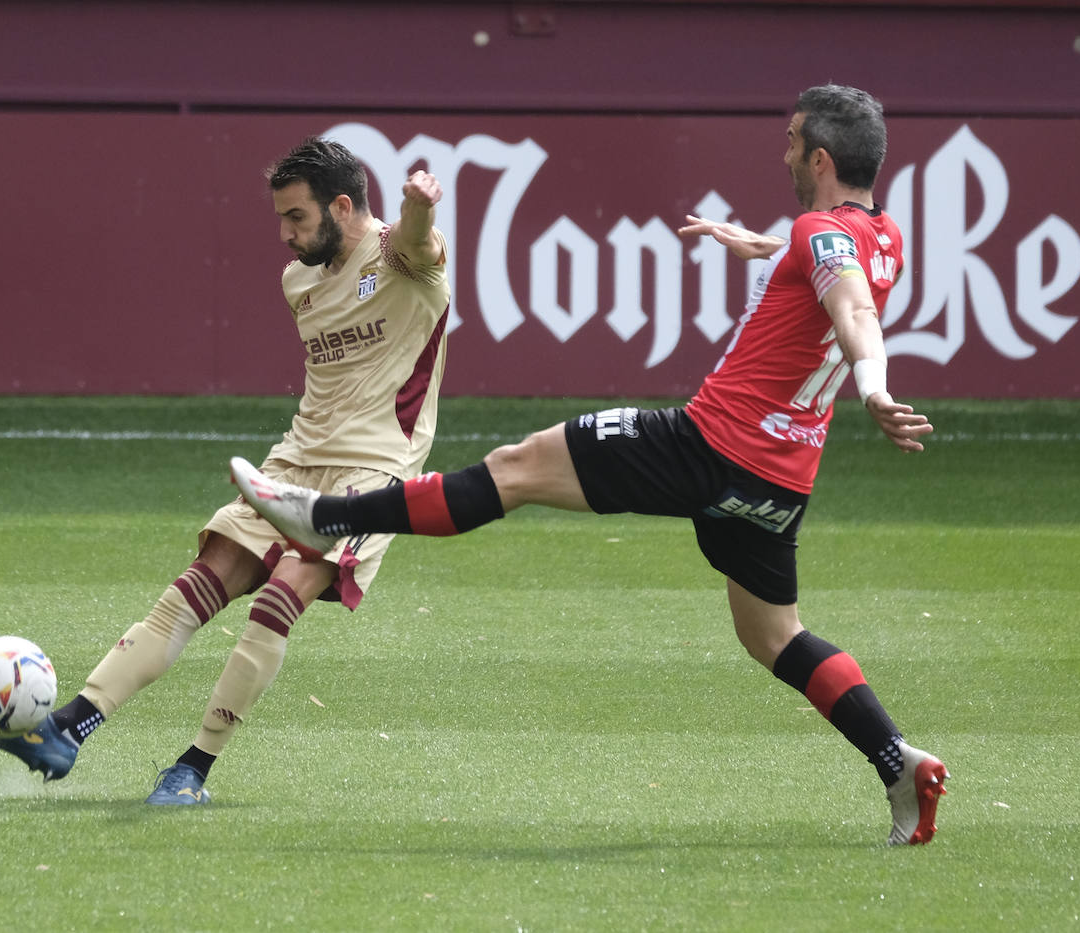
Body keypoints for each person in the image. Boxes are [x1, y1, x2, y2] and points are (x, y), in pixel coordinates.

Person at [230, 85, 950, 845]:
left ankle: (323, 514)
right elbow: (842, 272)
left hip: (709, 445)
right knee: (773, 634)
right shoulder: (883, 236)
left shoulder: (818, 233)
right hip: (780, 479)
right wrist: (766, 250)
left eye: (792, 140)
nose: (784, 153)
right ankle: (898, 761)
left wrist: (873, 386)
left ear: (821, 158)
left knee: (513, 469)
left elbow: (853, 311)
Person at [0, 137, 452, 804]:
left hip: (371, 474)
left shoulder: (400, 259)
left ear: (342, 206)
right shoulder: (298, 281)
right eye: (280, 220)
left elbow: (419, 245)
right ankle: (67, 729)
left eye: (296, 217)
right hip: (294, 460)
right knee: (195, 588)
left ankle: (191, 767)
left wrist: (418, 212)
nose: (285, 235)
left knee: (277, 598)